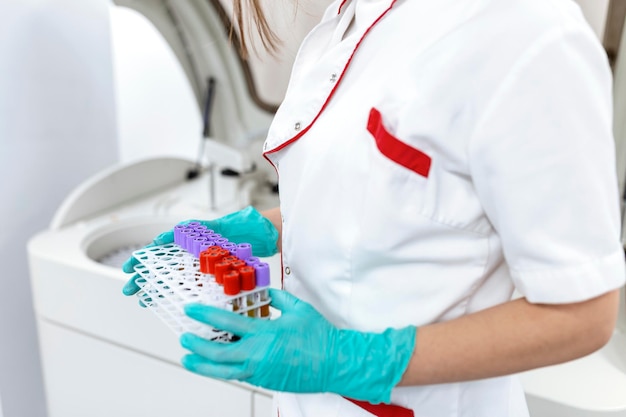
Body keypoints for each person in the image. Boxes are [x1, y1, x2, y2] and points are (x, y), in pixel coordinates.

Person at [123, 0, 626, 416]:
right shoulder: (355, 14)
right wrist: (267, 228)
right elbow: (388, 205)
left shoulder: (527, 35)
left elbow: (582, 314)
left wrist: (354, 360)